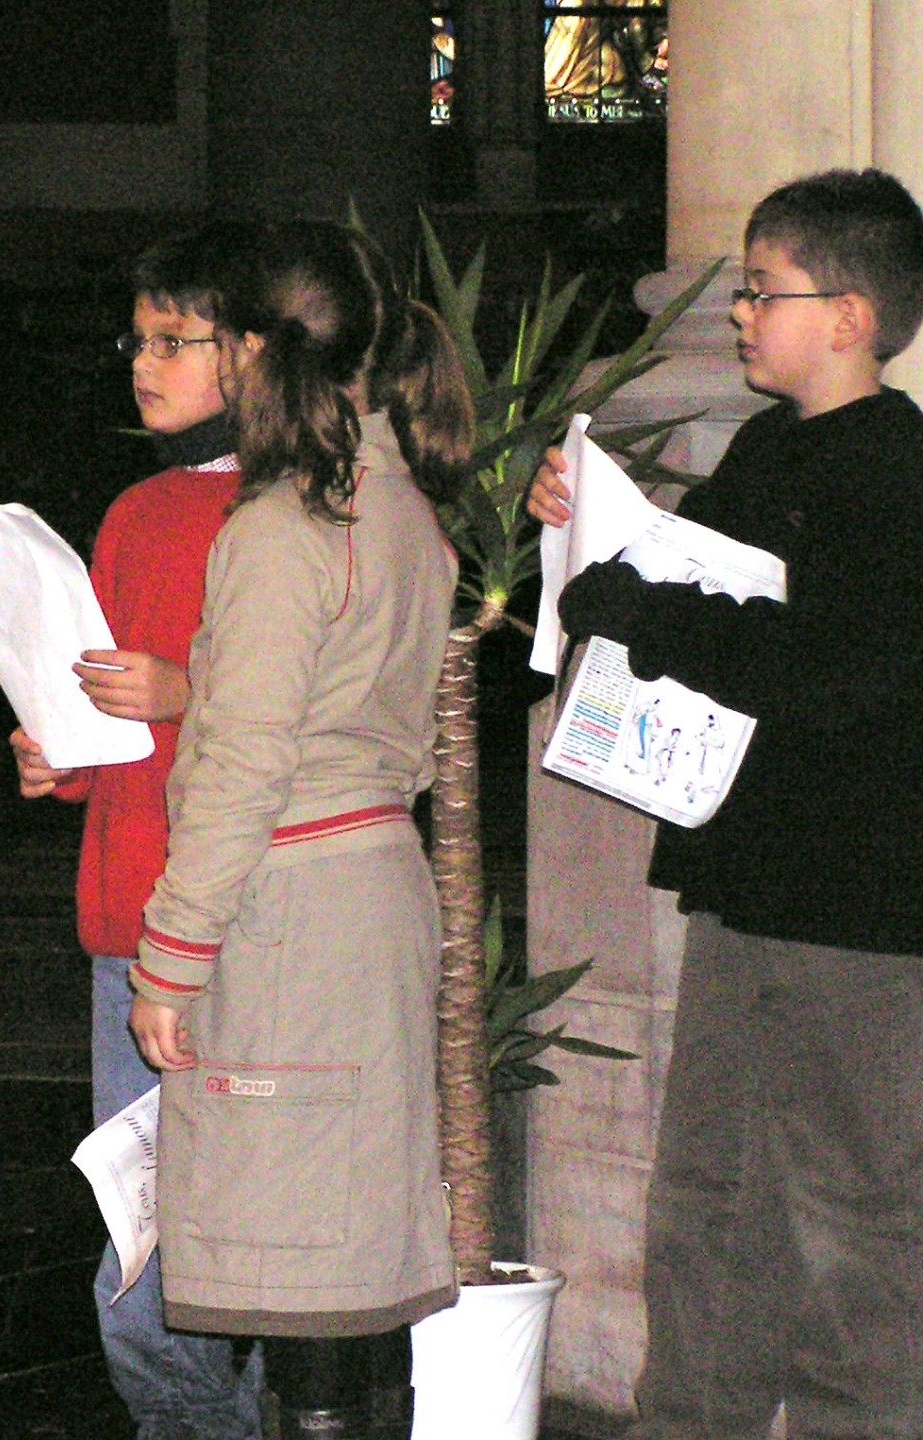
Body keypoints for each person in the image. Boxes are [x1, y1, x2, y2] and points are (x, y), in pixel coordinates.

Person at [529, 167, 923, 1440]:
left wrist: (649, 613)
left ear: (850, 315)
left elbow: (837, 670)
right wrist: (583, 533)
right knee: (710, 1194)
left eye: (764, 291)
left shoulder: (896, 471)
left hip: (857, 903)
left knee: (857, 1211)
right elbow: (688, 581)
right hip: (743, 879)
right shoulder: (766, 449)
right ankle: (691, 1420)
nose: (742, 313)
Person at [127, 221, 469, 1439]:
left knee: (302, 1260)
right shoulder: (401, 504)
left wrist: (171, 959)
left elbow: (242, 765)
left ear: (258, 350)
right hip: (375, 888)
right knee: (359, 1252)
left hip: (295, 913)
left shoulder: (286, 526)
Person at [9, 227, 264, 1440]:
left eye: (175, 341)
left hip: (237, 929)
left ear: (251, 354)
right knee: (140, 1238)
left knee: (243, 1233)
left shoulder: (286, 515)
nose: (144, 364)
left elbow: (319, 718)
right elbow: (98, 709)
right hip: (126, 919)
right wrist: (57, 755)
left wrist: (184, 693)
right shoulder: (134, 510)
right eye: (138, 340)